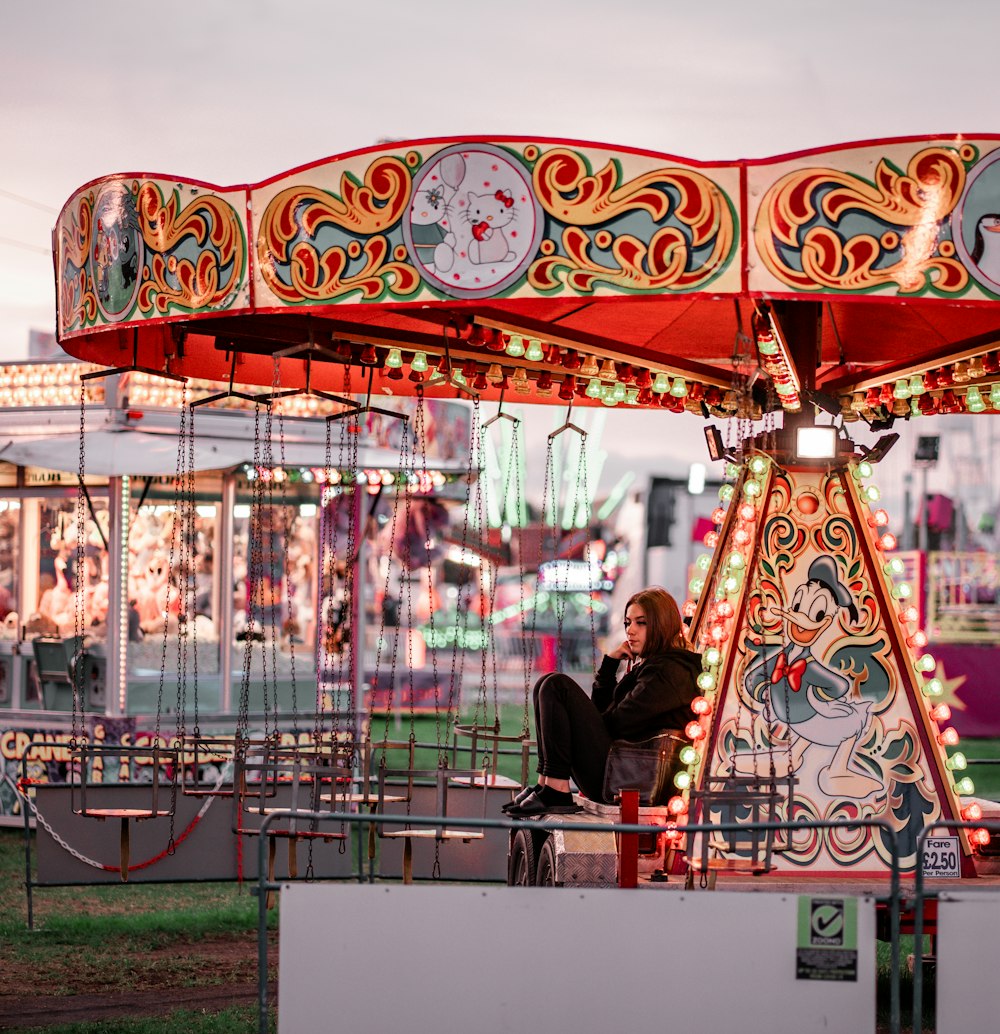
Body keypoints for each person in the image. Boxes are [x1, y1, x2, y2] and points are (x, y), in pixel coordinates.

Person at [505, 587, 701, 818]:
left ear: (662, 624)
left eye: (641, 623)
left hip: (628, 779)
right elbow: (604, 714)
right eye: (628, 623)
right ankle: (547, 782)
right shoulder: (654, 667)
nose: (631, 631)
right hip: (617, 769)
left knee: (556, 685)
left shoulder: (670, 672)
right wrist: (609, 666)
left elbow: (618, 723)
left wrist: (581, 723)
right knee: (546, 683)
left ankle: (556, 788)